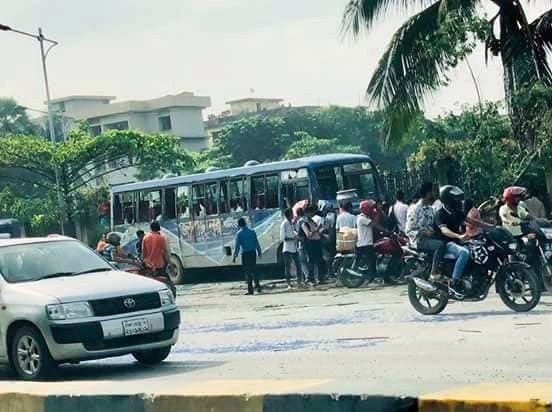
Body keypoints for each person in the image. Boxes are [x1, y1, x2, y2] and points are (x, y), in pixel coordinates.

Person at [406, 182, 446, 280]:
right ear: (427, 193)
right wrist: (424, 232)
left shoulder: (430, 209)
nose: (434, 194)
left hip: (430, 238)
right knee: (440, 245)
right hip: (419, 241)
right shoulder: (414, 209)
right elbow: (409, 230)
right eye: (432, 191)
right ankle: (434, 272)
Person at [434, 185, 471, 292]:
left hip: (456, 242)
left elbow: (471, 221)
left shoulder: (457, 212)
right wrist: (459, 236)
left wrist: (490, 227)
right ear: (448, 201)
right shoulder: (440, 214)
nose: (459, 203)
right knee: (464, 253)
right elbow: (444, 230)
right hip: (446, 242)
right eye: (456, 201)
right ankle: (455, 281)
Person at [233, 218, 262, 295]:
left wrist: (235, 256)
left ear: (239, 225)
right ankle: (258, 286)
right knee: (254, 270)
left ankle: (250, 290)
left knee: (248, 272)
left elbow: (237, 246)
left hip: (245, 254)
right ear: (245, 223)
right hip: (252, 253)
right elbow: (256, 242)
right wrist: (259, 252)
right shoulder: (252, 231)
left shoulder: (239, 234)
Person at [301, 206, 326, 285]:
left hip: (317, 242)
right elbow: (308, 234)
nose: (312, 214)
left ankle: (320, 278)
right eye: (310, 212)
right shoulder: (304, 224)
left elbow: (317, 233)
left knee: (319, 260)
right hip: (310, 243)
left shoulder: (313, 222)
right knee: (311, 261)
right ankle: (310, 279)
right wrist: (317, 229)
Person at [280, 208, 303, 288]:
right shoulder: (284, 224)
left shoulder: (292, 224)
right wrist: (292, 238)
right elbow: (282, 238)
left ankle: (299, 282)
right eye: (292, 214)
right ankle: (289, 284)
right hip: (287, 249)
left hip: (294, 248)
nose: (293, 216)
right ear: (289, 215)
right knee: (288, 267)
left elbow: (295, 232)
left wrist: (297, 237)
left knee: (298, 266)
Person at [355, 200, 377, 276]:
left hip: (366, 243)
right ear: (365, 209)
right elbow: (374, 224)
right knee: (372, 260)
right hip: (365, 244)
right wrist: (386, 230)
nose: (370, 210)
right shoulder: (362, 218)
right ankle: (370, 276)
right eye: (369, 208)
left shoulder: (365, 217)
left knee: (372, 259)